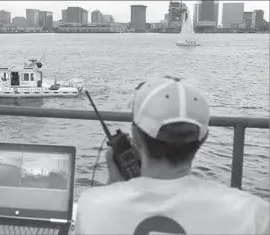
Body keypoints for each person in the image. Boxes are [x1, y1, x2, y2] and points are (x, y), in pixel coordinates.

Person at [75, 76, 269, 234]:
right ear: (203, 139)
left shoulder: (92, 207)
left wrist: (114, 189)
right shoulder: (253, 215)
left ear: (135, 138)